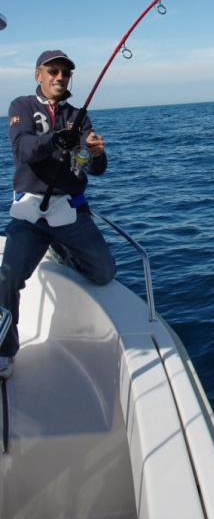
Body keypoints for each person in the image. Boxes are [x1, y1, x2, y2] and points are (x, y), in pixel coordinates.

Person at [0, 50, 115, 379]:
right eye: (53, 71)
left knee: (104, 272)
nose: (60, 77)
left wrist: (97, 153)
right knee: (7, 277)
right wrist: (53, 140)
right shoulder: (21, 107)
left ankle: (62, 250)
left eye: (65, 73)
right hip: (30, 213)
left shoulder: (78, 115)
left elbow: (95, 170)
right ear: (39, 74)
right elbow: (22, 148)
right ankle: (5, 348)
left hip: (70, 210)